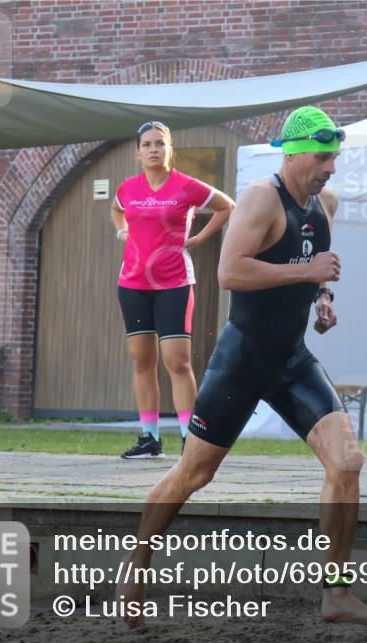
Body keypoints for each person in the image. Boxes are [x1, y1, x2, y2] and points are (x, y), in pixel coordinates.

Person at [118, 106, 367, 626]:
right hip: (242, 361)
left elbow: (315, 260)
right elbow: (230, 272)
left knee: (347, 462)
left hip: (290, 359)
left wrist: (322, 295)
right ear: (291, 154)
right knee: (193, 474)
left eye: (333, 157)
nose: (330, 167)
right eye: (321, 157)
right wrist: (306, 271)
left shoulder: (323, 202)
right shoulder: (260, 197)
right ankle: (137, 564)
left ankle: (335, 592)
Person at [112, 121, 235, 459]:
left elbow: (227, 206)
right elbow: (117, 210)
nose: (154, 149)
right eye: (147, 144)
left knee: (177, 363)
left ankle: (190, 440)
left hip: (174, 284)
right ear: (138, 153)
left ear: (170, 150)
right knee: (142, 361)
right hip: (132, 284)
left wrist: (198, 238)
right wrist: (122, 231)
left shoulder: (186, 186)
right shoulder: (127, 188)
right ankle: (149, 438)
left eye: (160, 144)